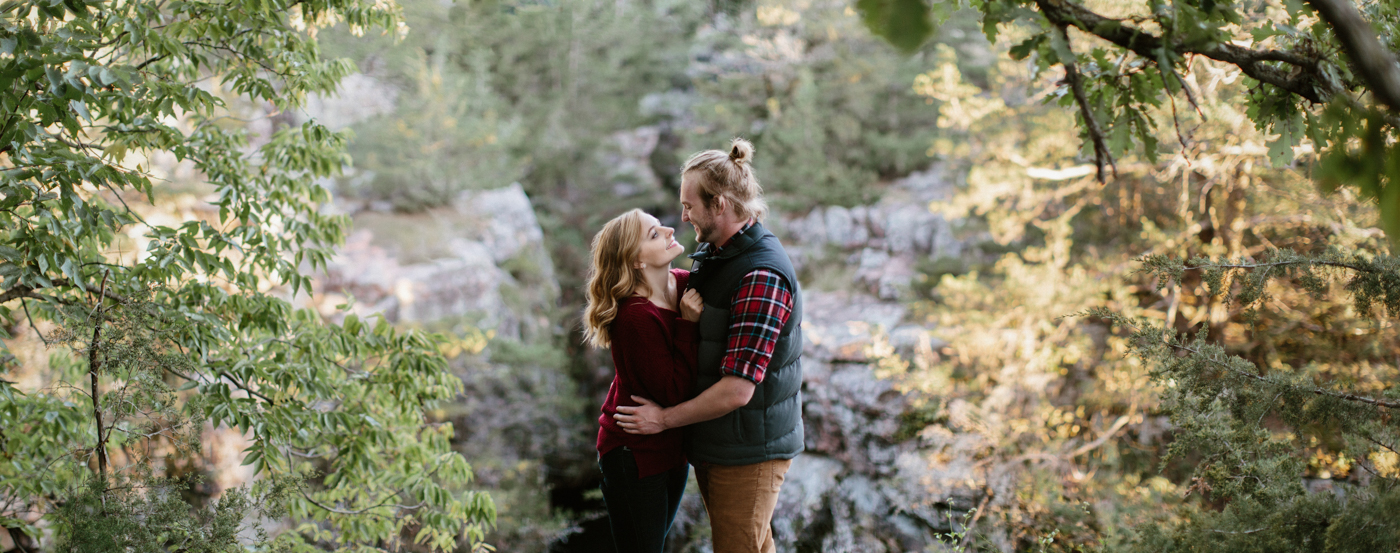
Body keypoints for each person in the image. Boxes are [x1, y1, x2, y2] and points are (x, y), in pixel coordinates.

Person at [614, 138, 804, 553]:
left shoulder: (760, 276)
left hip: (749, 450)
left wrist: (663, 420)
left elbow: (738, 389)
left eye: (689, 205)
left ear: (719, 204)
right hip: (721, 443)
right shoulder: (716, 253)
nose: (682, 217)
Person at [583, 208, 706, 553]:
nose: (669, 229)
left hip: (670, 445)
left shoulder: (681, 283)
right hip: (633, 451)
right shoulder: (635, 316)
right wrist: (688, 325)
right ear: (636, 261)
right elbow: (673, 391)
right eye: (654, 233)